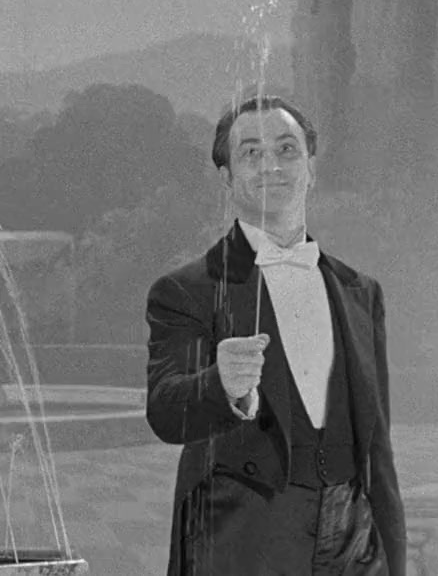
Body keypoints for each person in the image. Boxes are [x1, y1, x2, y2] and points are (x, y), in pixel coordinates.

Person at [145, 96, 405, 575]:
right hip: (245, 541)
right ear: (227, 177)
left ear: (311, 167)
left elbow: (377, 446)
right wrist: (220, 385)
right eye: (251, 153)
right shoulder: (186, 289)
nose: (271, 165)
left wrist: (393, 557)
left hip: (358, 540)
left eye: (287, 149)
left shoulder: (361, 292)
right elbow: (164, 412)